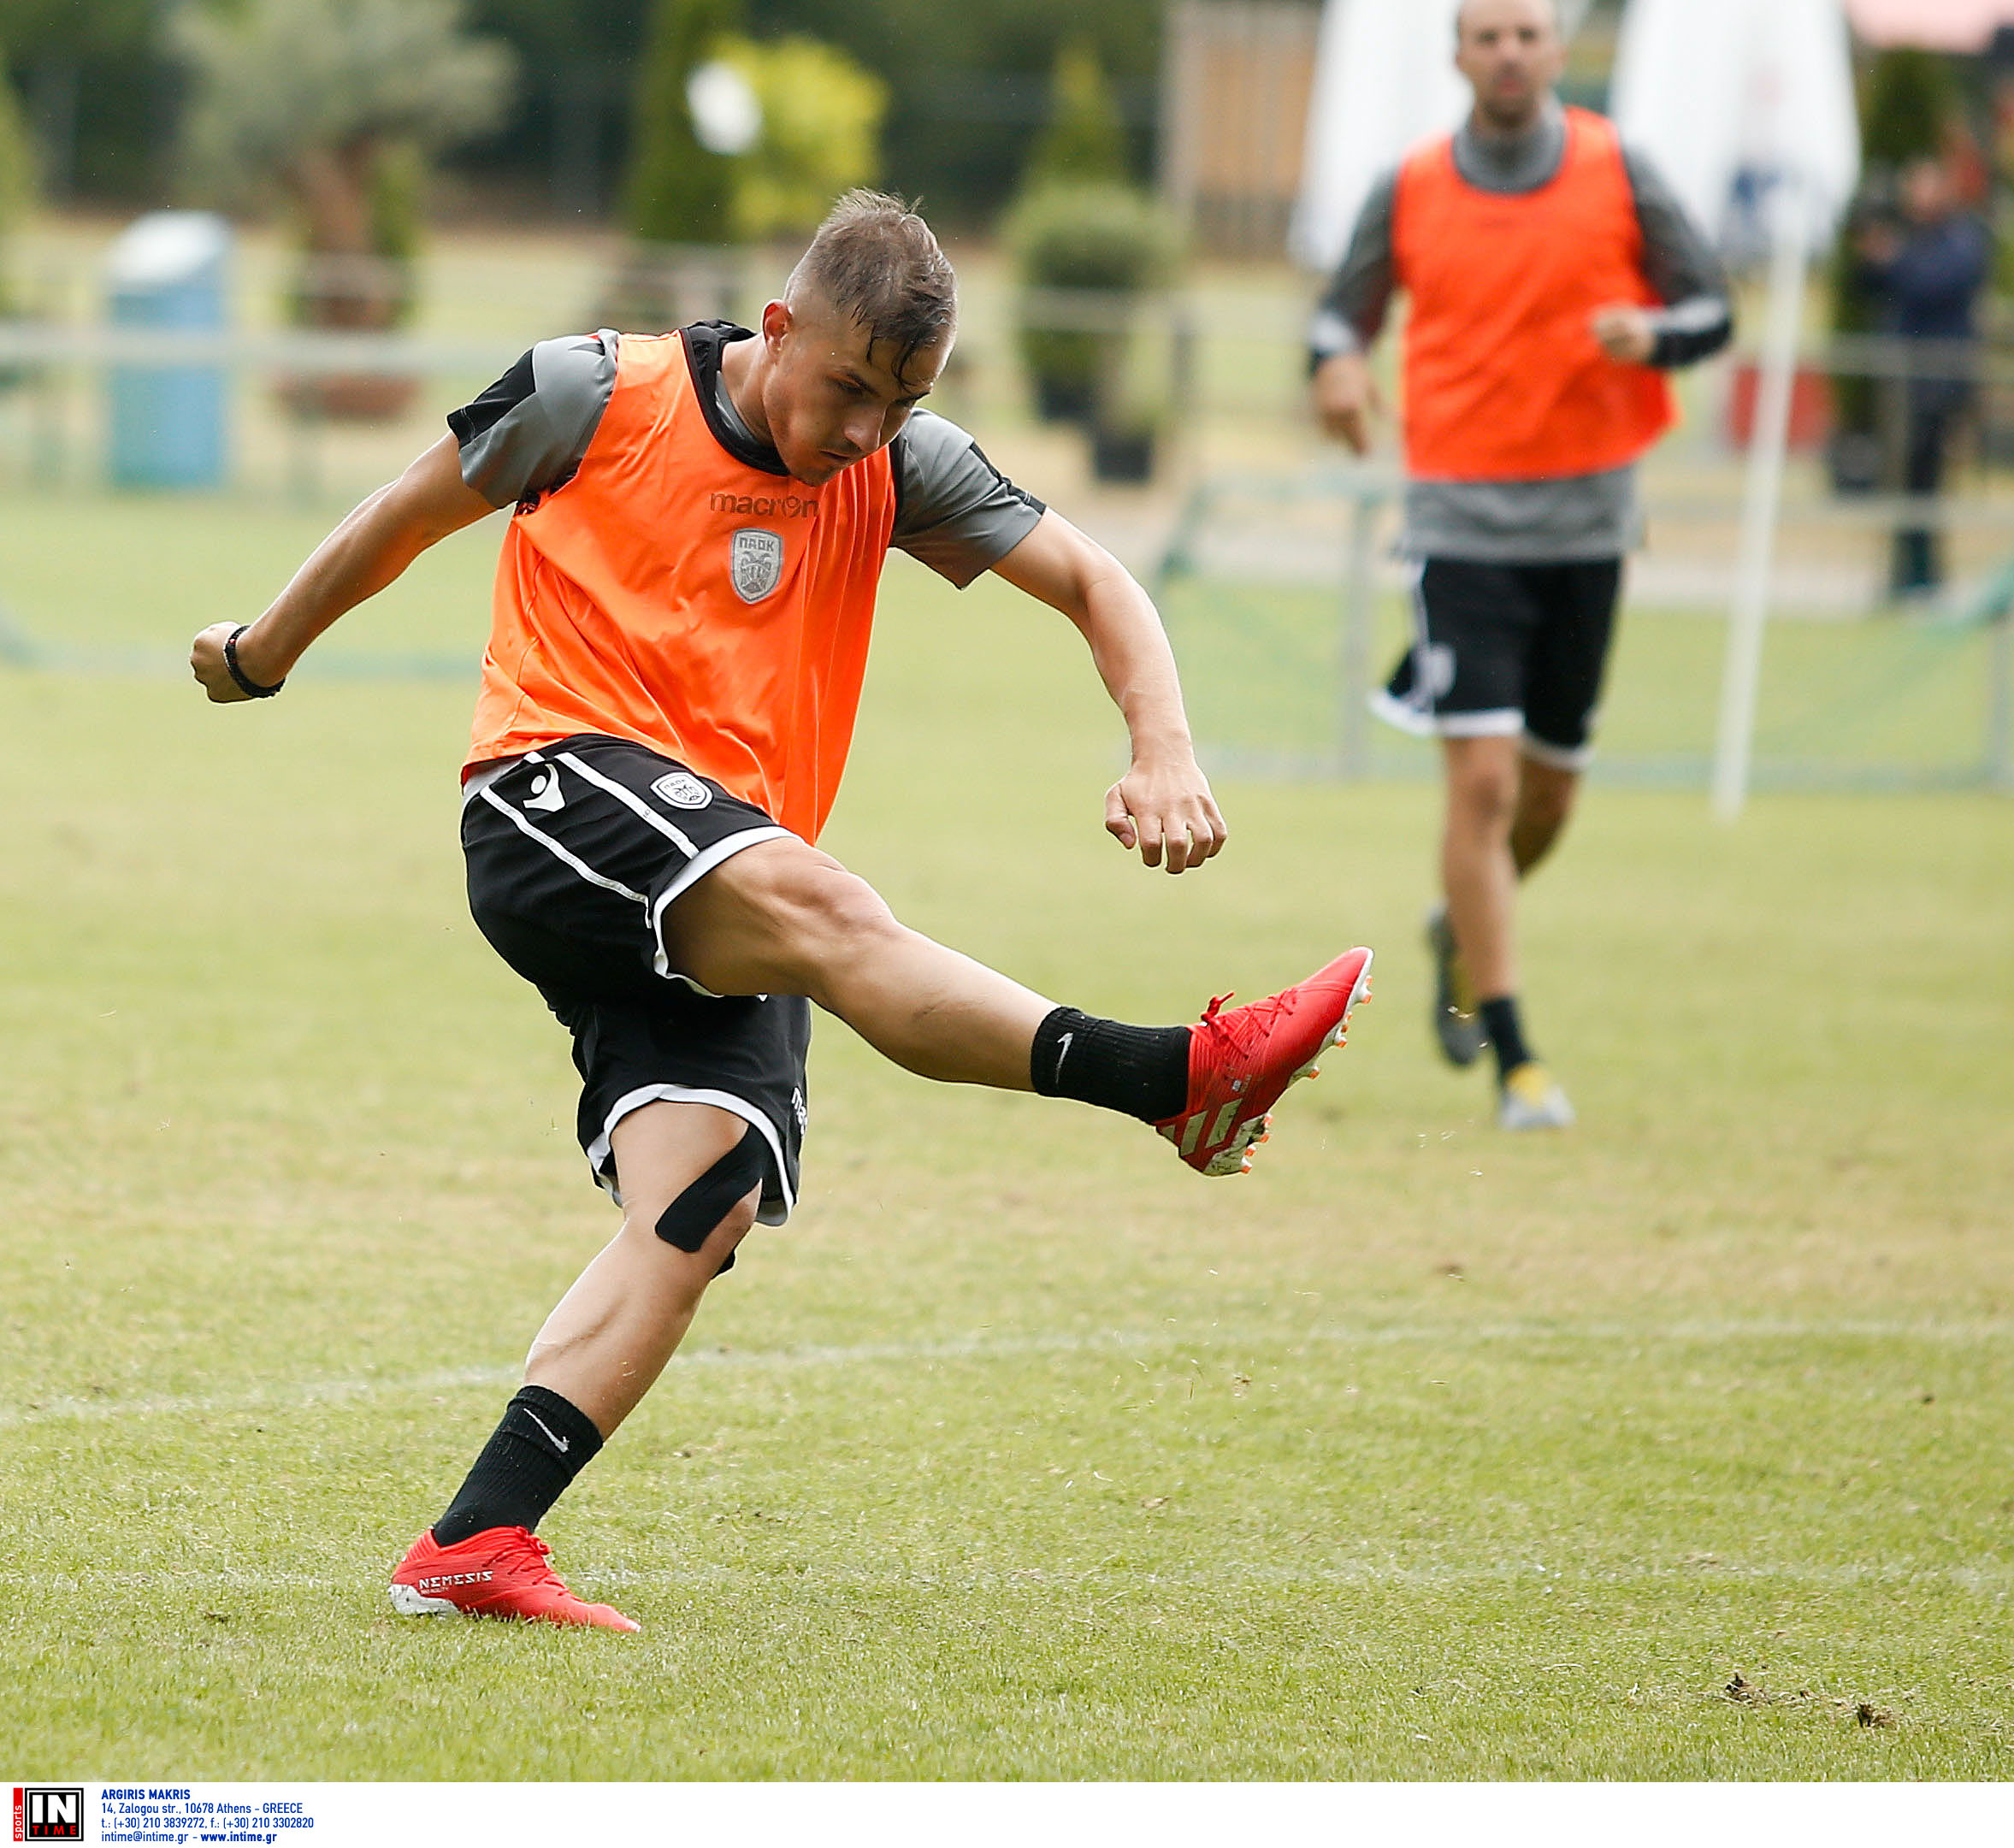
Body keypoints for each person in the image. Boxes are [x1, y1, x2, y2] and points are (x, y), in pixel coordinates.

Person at [189, 192, 1373, 1630]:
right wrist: (260, 653)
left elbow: (1095, 580)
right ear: (780, 329)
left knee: (705, 1196)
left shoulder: (901, 467)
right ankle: (1178, 1079)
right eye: (851, 390)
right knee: (829, 905)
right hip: (551, 794)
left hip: (715, 876)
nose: (870, 431)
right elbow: (404, 514)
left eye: (906, 402)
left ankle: (479, 1537)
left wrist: (1165, 746)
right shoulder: (593, 389)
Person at [1308, 0, 1728, 1130]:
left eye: (1524, 34)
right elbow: (1335, 317)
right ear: (1456, 55)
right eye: (1484, 35)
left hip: (1588, 528)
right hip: (1455, 525)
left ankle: (1459, 924)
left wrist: (1659, 337)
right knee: (1482, 786)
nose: (1505, 52)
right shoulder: (1406, 185)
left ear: (1557, 50)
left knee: (1545, 799)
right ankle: (1514, 1059)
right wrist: (1337, 366)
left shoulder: (1618, 169)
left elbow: (1710, 307)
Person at [1854, 155, 1989, 599]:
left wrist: (1893, 260)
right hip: (1902, 385)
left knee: (1928, 481)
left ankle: (1926, 573)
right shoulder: (1909, 238)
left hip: (1939, 382)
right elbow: (1872, 284)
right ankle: (1902, 571)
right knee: (1899, 479)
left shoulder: (1961, 237)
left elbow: (1934, 283)